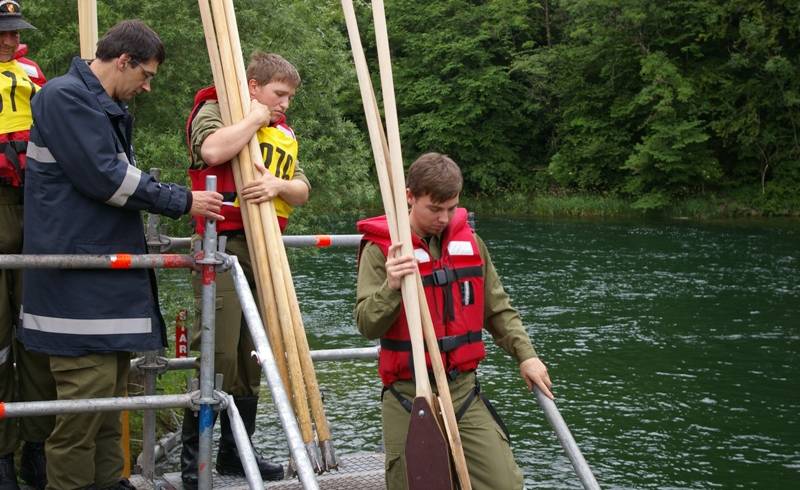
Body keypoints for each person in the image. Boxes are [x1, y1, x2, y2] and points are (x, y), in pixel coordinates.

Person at [17, 20, 223, 490]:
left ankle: (112, 483)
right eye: (145, 75)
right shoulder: (64, 97)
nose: (147, 87)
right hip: (76, 290)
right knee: (83, 415)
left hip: (98, 289)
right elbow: (108, 179)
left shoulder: (97, 105)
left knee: (110, 412)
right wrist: (183, 200)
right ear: (123, 61)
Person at [355, 153, 554, 490]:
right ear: (409, 196)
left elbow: (497, 309)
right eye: (435, 209)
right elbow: (366, 324)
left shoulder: (470, 243)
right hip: (408, 394)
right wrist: (391, 287)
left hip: (462, 390)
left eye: (451, 208)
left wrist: (527, 355)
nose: (444, 218)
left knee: (504, 483)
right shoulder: (383, 251)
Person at [179, 52, 310, 487]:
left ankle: (237, 454)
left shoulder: (280, 129)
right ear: (253, 86)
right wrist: (254, 119)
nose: (285, 104)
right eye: (279, 94)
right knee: (218, 353)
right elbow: (212, 149)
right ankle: (192, 461)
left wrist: (278, 186)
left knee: (253, 355)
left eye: (290, 96)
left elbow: (302, 188)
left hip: (265, 249)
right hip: (223, 244)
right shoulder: (218, 110)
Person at [0, 2, 54, 489]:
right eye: (2, 34)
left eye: (15, 34)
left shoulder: (34, 74)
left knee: (35, 332)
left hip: (32, 205)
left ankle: (36, 449)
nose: (10, 42)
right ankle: (2, 458)